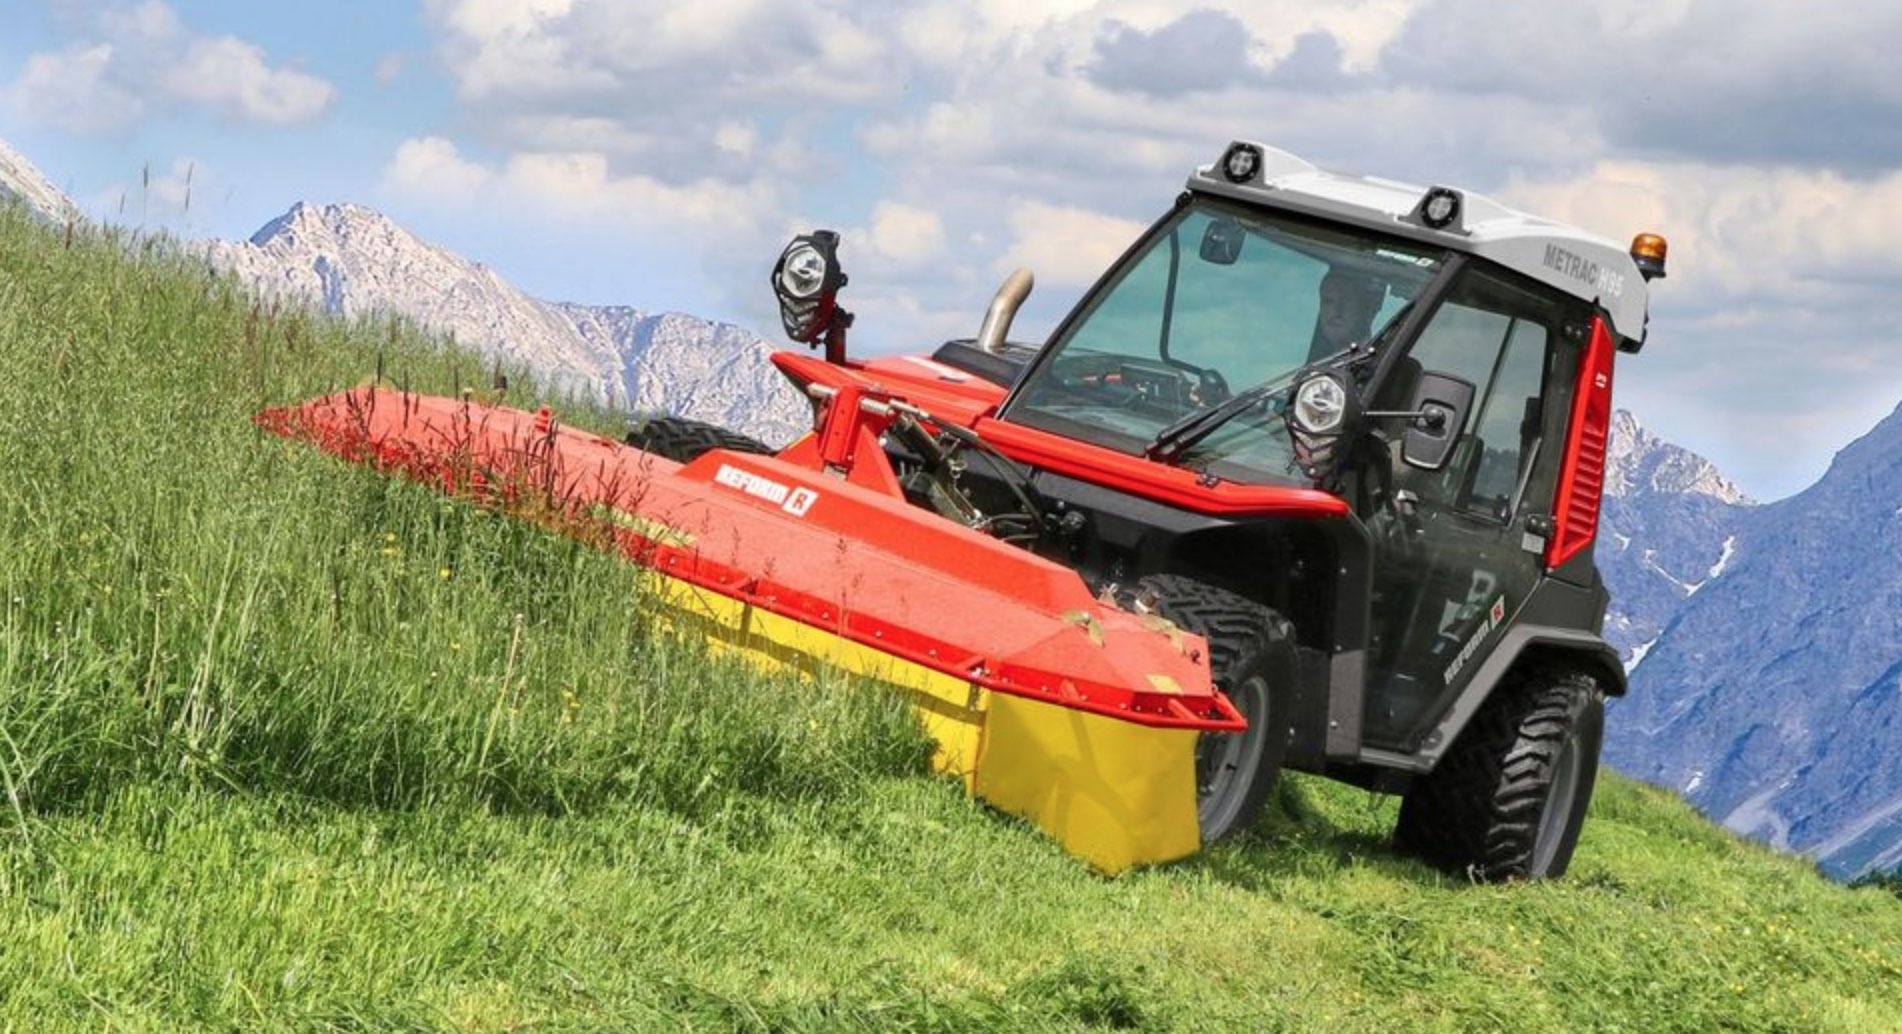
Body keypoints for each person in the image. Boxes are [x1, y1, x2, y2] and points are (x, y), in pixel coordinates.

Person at [1308, 268, 1385, 362]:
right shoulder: (1314, 367)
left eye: (1346, 300)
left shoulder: (1383, 364)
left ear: (1365, 306)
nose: (1335, 311)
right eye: (1328, 301)